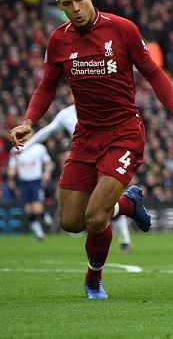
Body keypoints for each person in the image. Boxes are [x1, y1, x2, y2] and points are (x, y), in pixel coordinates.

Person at [10, 0, 173, 300]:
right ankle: (128, 203)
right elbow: (47, 85)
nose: (75, 8)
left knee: (95, 216)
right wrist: (29, 120)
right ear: (59, 7)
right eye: (66, 4)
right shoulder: (58, 40)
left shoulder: (122, 29)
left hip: (124, 134)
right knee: (71, 222)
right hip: (85, 136)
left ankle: (93, 278)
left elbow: (153, 72)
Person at [22, 101, 134, 252]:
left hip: (107, 159)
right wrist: (25, 147)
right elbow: (47, 131)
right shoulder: (66, 114)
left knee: (106, 200)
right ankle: (127, 207)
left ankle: (125, 239)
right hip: (83, 164)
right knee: (77, 216)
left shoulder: (104, 107)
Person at [8, 143, 54, 241]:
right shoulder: (15, 149)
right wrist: (10, 177)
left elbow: (49, 163)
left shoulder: (39, 147)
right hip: (23, 183)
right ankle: (39, 234)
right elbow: (12, 166)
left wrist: (47, 173)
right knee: (28, 210)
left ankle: (45, 217)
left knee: (37, 208)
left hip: (36, 181)